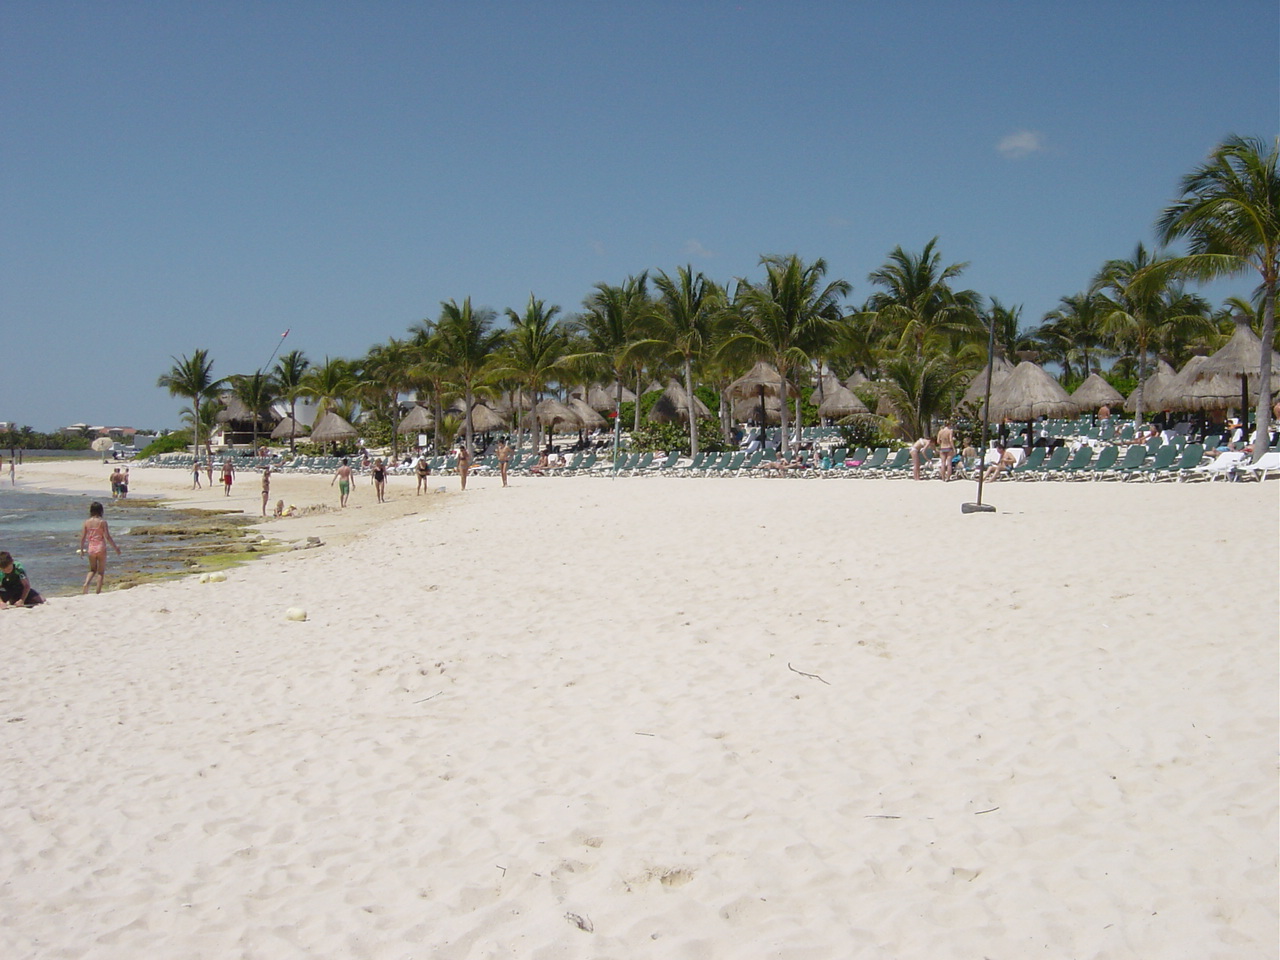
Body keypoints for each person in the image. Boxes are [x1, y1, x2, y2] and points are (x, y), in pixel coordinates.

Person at [80, 501, 121, 595]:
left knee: (92, 569)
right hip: (101, 547)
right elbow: (107, 537)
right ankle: (98, 592)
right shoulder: (102, 522)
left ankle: (86, 583)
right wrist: (116, 548)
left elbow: (83, 537)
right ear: (101, 511)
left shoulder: (86, 522)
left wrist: (82, 550)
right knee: (101, 572)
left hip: (91, 548)